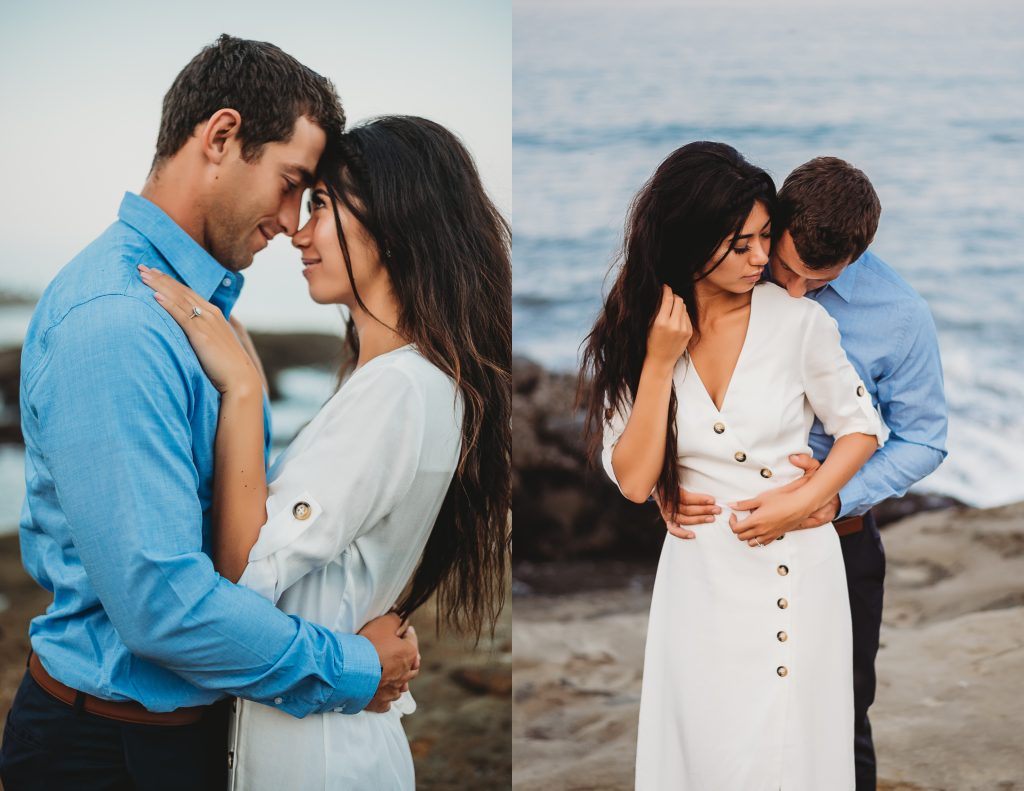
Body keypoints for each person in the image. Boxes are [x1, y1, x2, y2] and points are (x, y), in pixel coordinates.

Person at [0, 36, 419, 790]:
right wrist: (353, 664)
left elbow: (239, 551)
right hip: (107, 755)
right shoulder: (120, 322)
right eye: (292, 183)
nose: (296, 222)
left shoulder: (196, 312)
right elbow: (166, 608)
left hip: (185, 739)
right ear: (222, 137)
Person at [138, 114, 511, 789]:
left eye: (322, 206)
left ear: (396, 223)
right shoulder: (410, 381)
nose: (298, 233)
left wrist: (245, 393)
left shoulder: (395, 391)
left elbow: (240, 577)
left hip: (320, 756)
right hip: (331, 735)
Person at [581, 141, 885, 790]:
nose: (759, 260)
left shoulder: (799, 323)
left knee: (791, 754)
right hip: (700, 577)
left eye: (764, 239)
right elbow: (635, 480)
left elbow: (862, 429)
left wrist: (808, 501)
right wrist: (661, 360)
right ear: (690, 240)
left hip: (796, 574)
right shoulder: (639, 332)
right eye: (740, 243)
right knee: (705, 753)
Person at [662, 156, 948, 790]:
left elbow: (924, 438)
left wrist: (833, 496)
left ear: (857, 256)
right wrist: (665, 482)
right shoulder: (731, 268)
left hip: (839, 550)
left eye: (816, 280)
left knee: (838, 724)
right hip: (722, 555)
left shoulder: (900, 315)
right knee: (726, 719)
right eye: (785, 267)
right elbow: (664, 398)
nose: (790, 291)